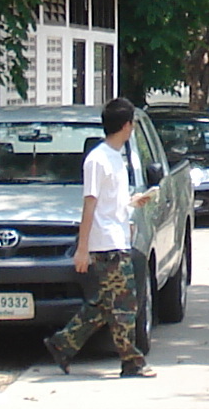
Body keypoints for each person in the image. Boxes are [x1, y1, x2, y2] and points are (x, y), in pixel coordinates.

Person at [48, 97, 152, 377]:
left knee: (105, 304)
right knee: (125, 304)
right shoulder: (97, 160)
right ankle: (131, 361)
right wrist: (83, 249)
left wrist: (132, 203)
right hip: (105, 245)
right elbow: (90, 204)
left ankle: (62, 344)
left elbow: (110, 203)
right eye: (131, 125)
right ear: (126, 125)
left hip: (118, 238)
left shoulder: (116, 158)